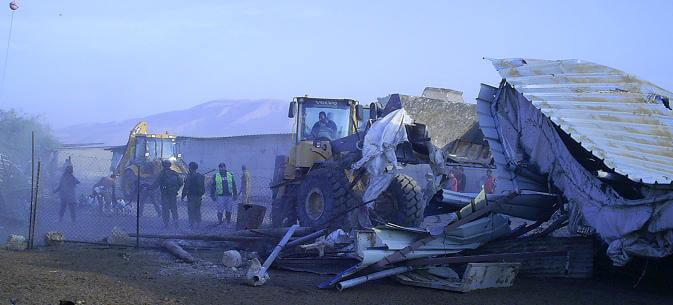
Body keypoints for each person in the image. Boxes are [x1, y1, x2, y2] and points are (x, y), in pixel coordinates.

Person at [153, 160, 183, 228]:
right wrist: (176, 189)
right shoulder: (174, 173)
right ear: (170, 165)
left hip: (165, 194)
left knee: (165, 209)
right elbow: (181, 183)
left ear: (163, 166)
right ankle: (176, 222)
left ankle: (166, 224)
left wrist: (149, 188)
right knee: (174, 209)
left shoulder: (162, 174)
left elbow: (156, 184)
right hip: (173, 194)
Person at [182, 162, 205, 228]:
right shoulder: (200, 176)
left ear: (190, 168)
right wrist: (201, 193)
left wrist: (183, 196)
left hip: (191, 196)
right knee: (197, 210)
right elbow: (203, 187)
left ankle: (191, 224)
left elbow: (186, 187)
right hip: (198, 196)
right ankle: (198, 223)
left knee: (191, 210)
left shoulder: (189, 176)